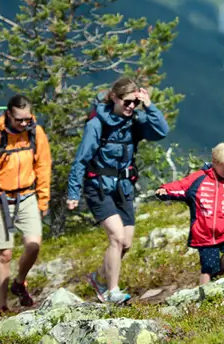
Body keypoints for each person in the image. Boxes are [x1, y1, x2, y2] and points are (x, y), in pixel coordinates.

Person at [66, 76, 170, 304]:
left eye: (135, 102)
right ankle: (111, 291)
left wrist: (150, 106)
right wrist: (73, 192)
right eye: (127, 102)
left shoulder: (135, 121)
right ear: (114, 97)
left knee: (126, 243)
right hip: (99, 188)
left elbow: (161, 132)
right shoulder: (97, 124)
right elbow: (81, 160)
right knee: (116, 237)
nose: (131, 106)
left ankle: (100, 277)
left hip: (124, 188)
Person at [0, 95, 52, 312]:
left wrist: (43, 200)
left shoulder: (35, 133)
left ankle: (19, 282)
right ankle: (2, 305)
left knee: (34, 245)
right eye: (19, 120)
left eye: (27, 119)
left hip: (27, 196)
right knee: (5, 253)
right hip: (0, 199)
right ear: (8, 114)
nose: (24, 123)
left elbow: (43, 167)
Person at [156, 141, 224, 285]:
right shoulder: (199, 178)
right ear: (215, 162)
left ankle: (220, 270)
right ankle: (204, 296)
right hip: (203, 233)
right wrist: (165, 190)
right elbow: (181, 186)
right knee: (207, 268)